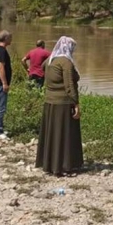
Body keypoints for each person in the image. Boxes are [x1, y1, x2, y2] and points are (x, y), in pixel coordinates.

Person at [36, 36, 83, 176]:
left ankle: (50, 164)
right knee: (65, 135)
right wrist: (76, 103)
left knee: (53, 134)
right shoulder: (66, 62)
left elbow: (42, 69)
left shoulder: (50, 60)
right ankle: (65, 166)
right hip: (63, 103)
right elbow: (69, 86)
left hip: (50, 102)